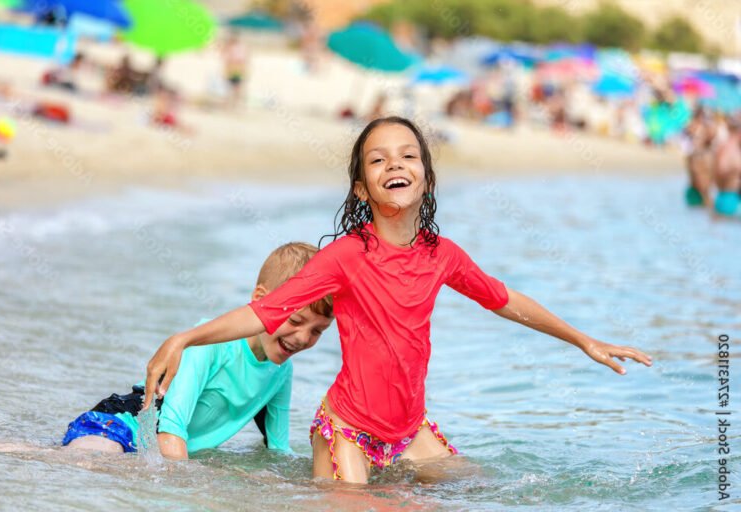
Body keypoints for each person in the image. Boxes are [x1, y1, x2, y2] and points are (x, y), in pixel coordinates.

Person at [142, 117, 653, 483]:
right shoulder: (346, 256)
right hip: (346, 429)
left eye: (409, 155)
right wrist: (185, 338)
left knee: (481, 488)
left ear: (426, 179)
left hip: (409, 430)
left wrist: (583, 340)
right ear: (362, 189)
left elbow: (504, 300)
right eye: (378, 158)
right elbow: (265, 311)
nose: (395, 163)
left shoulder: (442, 255)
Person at [63, 242, 333, 459]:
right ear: (260, 300)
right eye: (296, 321)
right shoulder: (211, 344)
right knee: (93, 460)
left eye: (318, 331)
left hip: (155, 449)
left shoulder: (282, 372)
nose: (302, 338)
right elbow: (170, 429)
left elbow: (278, 451)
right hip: (120, 425)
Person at [713, 118, 741, 217]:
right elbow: (723, 171)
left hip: (722, 197)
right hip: (731, 198)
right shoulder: (733, 151)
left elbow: (716, 173)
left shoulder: (722, 146)